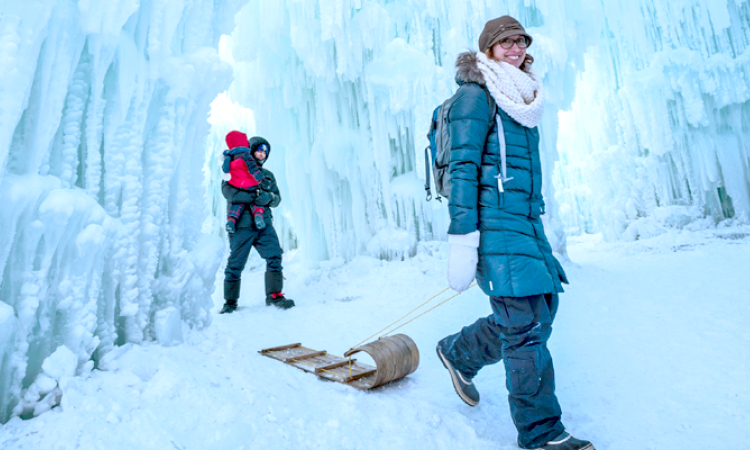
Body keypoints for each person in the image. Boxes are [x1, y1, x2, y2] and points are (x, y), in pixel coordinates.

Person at [435, 16, 594, 450]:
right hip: (493, 225)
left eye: (520, 41)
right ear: (488, 49)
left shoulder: (521, 97)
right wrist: (464, 237)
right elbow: (465, 170)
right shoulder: (475, 95)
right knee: (524, 328)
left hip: (524, 222)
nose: (515, 48)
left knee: (543, 308)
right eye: (505, 42)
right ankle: (542, 434)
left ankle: (458, 352)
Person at [220, 136, 295, 313]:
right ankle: (230, 303)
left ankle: (274, 295)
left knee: (275, 256)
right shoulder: (234, 170)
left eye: (265, 152)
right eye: (259, 150)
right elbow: (227, 192)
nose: (261, 154)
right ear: (251, 150)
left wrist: (268, 198)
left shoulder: (268, 176)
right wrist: (254, 196)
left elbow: (277, 199)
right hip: (241, 226)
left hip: (264, 226)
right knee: (236, 264)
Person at [222, 131, 267, 234]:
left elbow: (225, 170)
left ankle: (231, 220)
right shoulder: (246, 155)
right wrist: (261, 180)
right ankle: (258, 216)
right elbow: (253, 169)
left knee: (236, 203)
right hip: (251, 184)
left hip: (237, 185)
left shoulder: (230, 157)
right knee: (257, 201)